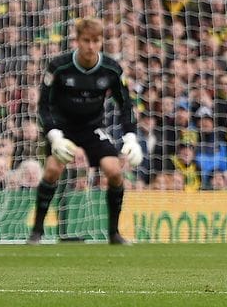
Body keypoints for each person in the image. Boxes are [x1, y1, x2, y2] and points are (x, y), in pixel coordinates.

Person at [27, 17, 142, 245]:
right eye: (86, 41)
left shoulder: (111, 69)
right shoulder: (59, 67)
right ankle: (37, 231)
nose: (91, 46)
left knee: (115, 171)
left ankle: (114, 233)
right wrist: (54, 134)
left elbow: (125, 105)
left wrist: (131, 137)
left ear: (101, 42)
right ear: (77, 41)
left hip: (93, 128)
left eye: (96, 41)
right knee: (52, 169)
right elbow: (44, 106)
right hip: (62, 130)